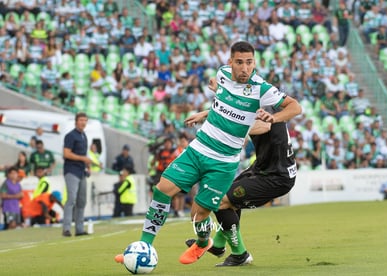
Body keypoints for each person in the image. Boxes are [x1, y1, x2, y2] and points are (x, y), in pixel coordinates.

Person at [115, 41, 301, 265]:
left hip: (223, 163)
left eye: (249, 63)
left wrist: (275, 118)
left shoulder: (261, 90)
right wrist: (206, 112)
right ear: (230, 62)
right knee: (162, 189)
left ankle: (204, 242)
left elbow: (294, 107)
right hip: (198, 148)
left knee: (198, 214)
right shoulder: (222, 74)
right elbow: (224, 100)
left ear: (254, 63)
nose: (244, 68)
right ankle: (145, 245)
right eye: (239, 62)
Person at [184, 82, 297, 266]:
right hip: (262, 168)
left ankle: (240, 254)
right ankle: (219, 245)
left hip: (276, 177)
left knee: (221, 202)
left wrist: (236, 130)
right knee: (226, 197)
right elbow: (230, 111)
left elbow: (263, 126)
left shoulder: (267, 110)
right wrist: (206, 114)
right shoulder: (252, 106)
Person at [62, 112, 92, 237]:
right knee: (71, 199)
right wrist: (83, 159)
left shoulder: (84, 136)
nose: (83, 122)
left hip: (81, 171)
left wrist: (87, 166)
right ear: (76, 121)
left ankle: (79, 229)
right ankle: (66, 228)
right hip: (72, 171)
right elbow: (66, 154)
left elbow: (85, 156)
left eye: (85, 120)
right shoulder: (70, 136)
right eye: (81, 120)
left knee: (81, 201)